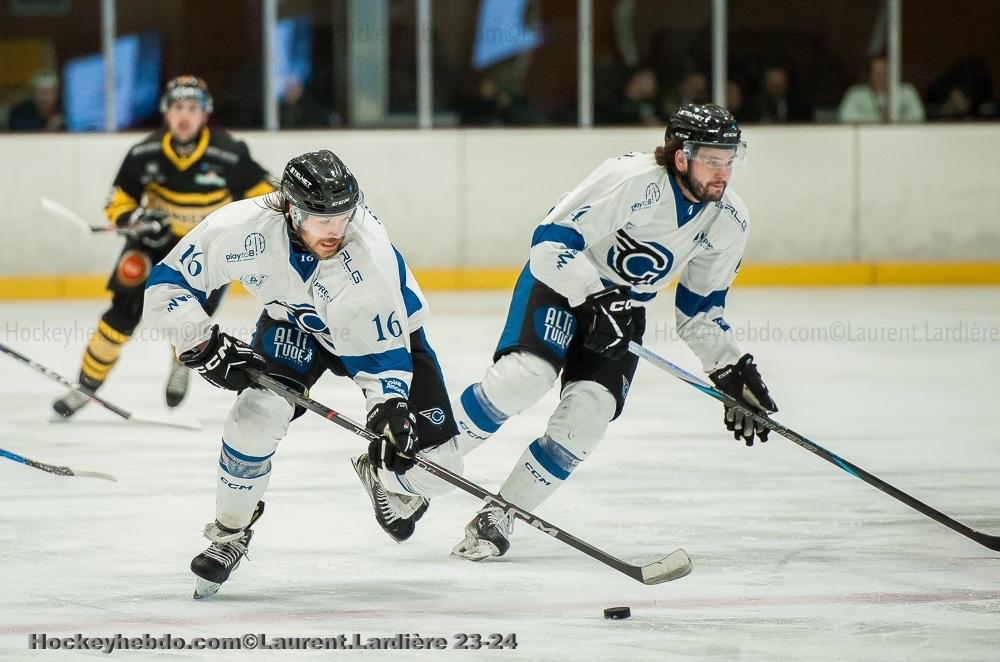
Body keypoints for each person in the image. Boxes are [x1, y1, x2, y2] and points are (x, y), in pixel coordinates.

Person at [448, 103, 779, 560]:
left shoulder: (728, 220)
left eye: (730, 160)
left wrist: (731, 369)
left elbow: (700, 310)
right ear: (681, 157)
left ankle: (502, 514)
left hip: (622, 313)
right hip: (561, 286)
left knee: (588, 418)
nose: (724, 173)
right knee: (524, 378)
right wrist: (591, 294)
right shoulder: (632, 180)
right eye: (712, 160)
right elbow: (550, 243)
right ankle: (419, 462)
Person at [143, 150, 465, 598]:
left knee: (440, 469)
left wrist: (389, 406)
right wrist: (201, 343)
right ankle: (230, 532)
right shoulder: (241, 228)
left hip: (383, 337)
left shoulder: (368, 256)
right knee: (255, 417)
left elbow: (384, 356)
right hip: (295, 326)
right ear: (292, 210)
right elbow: (166, 285)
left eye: (342, 216)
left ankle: (379, 475)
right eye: (321, 218)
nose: (335, 230)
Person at [52, 75, 274, 417]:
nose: (185, 115)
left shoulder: (231, 154)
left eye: (193, 108)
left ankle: (181, 363)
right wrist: (137, 216)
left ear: (205, 114)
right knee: (119, 317)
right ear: (166, 112)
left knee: (189, 321)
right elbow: (118, 201)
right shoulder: (145, 153)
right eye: (177, 107)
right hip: (151, 246)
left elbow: (266, 198)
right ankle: (86, 385)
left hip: (205, 252)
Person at [838, 54, 925, 123]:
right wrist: (879, 121)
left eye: (885, 72)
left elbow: (918, 116)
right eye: (877, 73)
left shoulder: (907, 92)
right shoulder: (856, 94)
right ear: (870, 76)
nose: (882, 77)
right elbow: (846, 117)